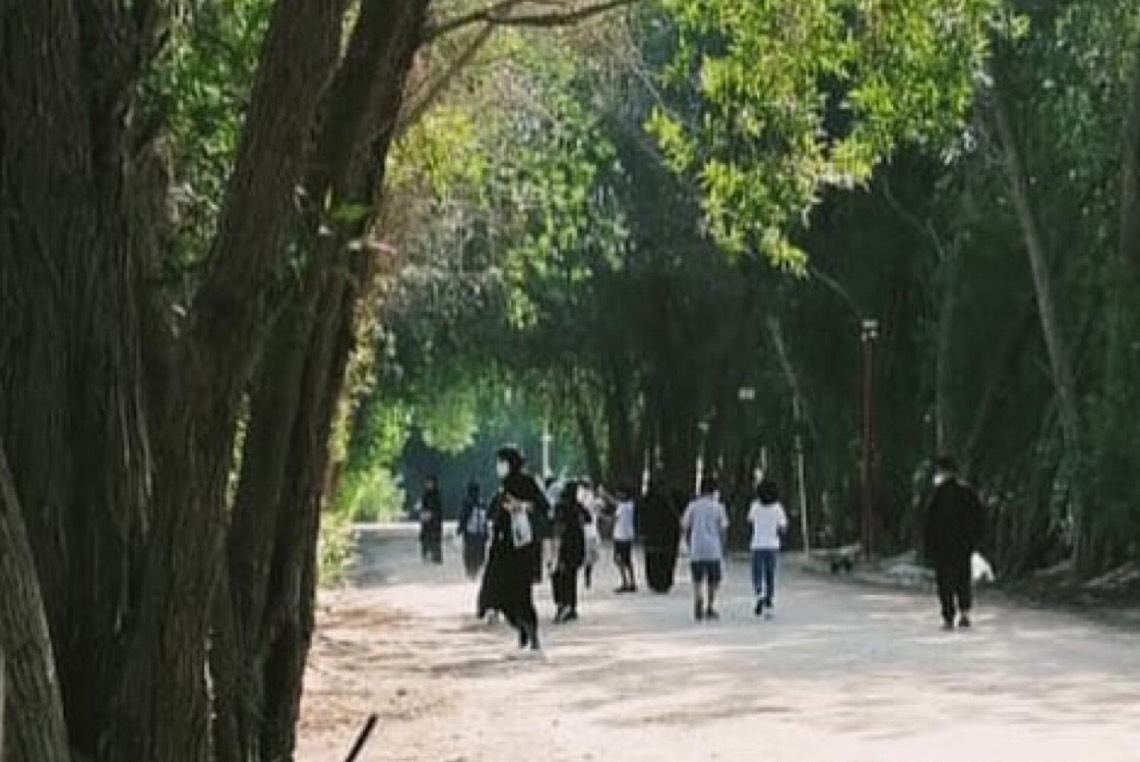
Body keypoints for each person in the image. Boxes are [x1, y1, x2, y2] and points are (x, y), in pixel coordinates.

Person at [477, 445, 550, 651]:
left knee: (522, 594)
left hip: (522, 548)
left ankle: (532, 638)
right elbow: (493, 513)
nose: (499, 466)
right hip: (503, 549)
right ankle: (522, 633)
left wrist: (522, 506)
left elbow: (544, 507)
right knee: (501, 594)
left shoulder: (528, 483)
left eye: (502, 462)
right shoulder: (503, 486)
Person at [924, 456, 986, 630]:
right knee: (962, 578)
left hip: (942, 546)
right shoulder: (968, 492)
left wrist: (928, 546)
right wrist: (976, 541)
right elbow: (979, 518)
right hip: (963, 545)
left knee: (945, 582)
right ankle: (964, 613)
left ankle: (948, 617)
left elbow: (928, 522)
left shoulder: (937, 494)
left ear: (943, 471)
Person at [681, 476, 729, 621]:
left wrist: (688, 542)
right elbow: (723, 530)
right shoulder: (719, 507)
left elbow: (685, 526)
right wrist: (723, 547)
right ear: (714, 491)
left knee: (697, 578)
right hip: (713, 549)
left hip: (697, 548)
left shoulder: (692, 506)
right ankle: (709, 606)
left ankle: (698, 596)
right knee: (713, 580)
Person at [748, 480, 788, 618]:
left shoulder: (755, 506)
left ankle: (759, 594)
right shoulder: (777, 508)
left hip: (757, 544)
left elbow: (750, 522)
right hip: (772, 545)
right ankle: (769, 600)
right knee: (770, 574)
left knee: (757, 573)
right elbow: (783, 527)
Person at [551, 481, 587, 623]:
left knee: (560, 576)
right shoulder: (578, 506)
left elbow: (557, 525)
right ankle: (571, 606)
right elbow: (588, 518)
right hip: (578, 544)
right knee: (571, 576)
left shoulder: (561, 506)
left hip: (565, 545)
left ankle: (562, 604)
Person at [640, 472, 681, 593]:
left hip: (653, 534)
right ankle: (666, 581)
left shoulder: (650, 496)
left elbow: (642, 513)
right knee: (668, 558)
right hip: (670, 533)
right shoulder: (674, 494)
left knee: (653, 559)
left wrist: (642, 531)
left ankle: (655, 581)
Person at [457, 481, 489, 579]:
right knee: (478, 555)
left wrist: (460, 529)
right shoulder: (482, 503)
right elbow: (485, 520)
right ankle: (474, 572)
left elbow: (463, 517)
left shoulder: (468, 503)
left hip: (471, 534)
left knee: (470, 555)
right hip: (480, 534)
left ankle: (471, 573)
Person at [612, 487, 637, 593]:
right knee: (628, 560)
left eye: (619, 492)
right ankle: (632, 582)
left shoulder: (621, 507)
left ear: (624, 494)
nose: (617, 494)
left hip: (620, 536)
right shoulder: (631, 505)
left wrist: (601, 516)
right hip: (628, 536)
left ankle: (624, 582)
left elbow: (613, 519)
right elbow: (615, 502)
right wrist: (605, 495)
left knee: (618, 560)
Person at [419, 475, 443, 564]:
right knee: (425, 538)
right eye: (427, 483)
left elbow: (439, 509)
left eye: (430, 483)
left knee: (436, 539)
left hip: (435, 521)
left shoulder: (437, 495)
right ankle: (425, 555)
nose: (428, 485)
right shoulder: (425, 495)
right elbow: (423, 508)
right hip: (426, 521)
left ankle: (436, 557)